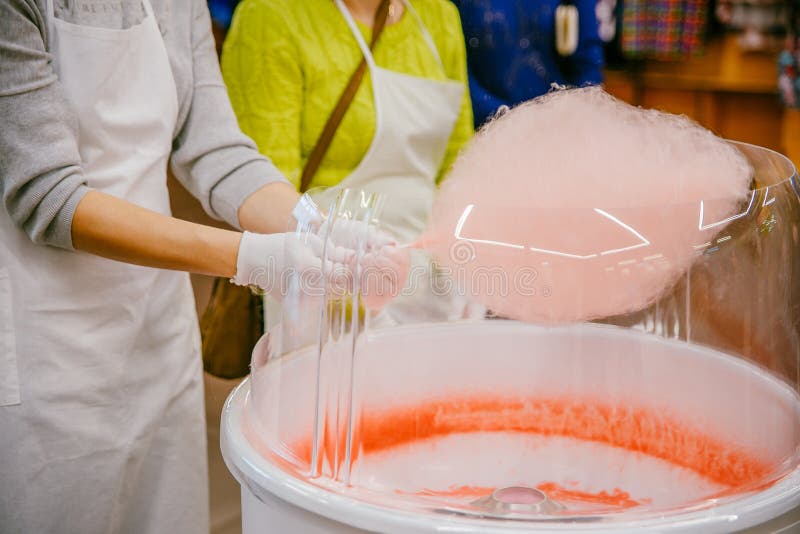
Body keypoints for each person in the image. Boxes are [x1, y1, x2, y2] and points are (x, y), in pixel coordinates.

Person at [0, 0, 373, 531]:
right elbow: (49, 196)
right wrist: (248, 256)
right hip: (54, 349)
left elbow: (216, 147)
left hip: (157, 332)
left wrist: (318, 223)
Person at [221, 0, 477, 323]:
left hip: (435, 285)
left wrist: (463, 263)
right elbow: (261, 189)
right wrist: (345, 287)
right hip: (328, 286)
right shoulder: (269, 16)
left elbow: (460, 163)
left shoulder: (439, 15)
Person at [454, 0, 604, 126]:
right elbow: (455, 67)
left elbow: (588, 63)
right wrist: (505, 119)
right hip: (485, 129)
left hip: (557, 127)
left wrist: (574, 115)